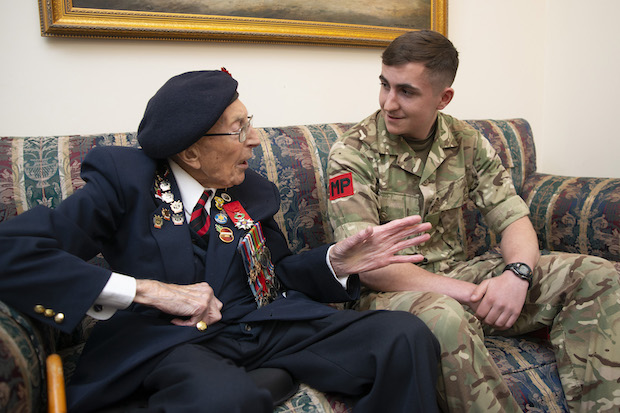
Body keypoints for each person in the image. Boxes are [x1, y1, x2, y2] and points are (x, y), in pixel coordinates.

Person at [0, 70, 441, 412]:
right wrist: (147, 290)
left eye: (249, 122)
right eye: (237, 129)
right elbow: (13, 250)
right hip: (173, 342)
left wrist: (335, 263)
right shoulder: (125, 182)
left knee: (403, 336)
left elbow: (276, 275)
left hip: (264, 328)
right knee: (225, 400)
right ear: (190, 153)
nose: (254, 138)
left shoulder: (248, 188)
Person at [327, 30, 620, 413]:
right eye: (385, 85)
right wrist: (471, 294)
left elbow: (513, 219)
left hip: (462, 273)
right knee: (445, 316)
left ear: (443, 97)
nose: (389, 103)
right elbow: (368, 267)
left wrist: (516, 275)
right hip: (389, 295)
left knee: (598, 275)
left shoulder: (467, 141)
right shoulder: (352, 153)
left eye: (406, 91)